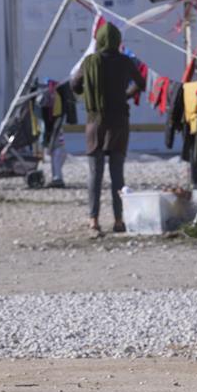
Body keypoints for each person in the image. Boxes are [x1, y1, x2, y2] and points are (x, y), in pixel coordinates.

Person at [70, 22, 144, 235]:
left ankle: (93, 220)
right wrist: (125, 95)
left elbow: (75, 85)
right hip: (119, 121)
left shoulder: (90, 62)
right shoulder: (125, 62)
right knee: (117, 174)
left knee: (95, 173)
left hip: (95, 122)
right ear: (118, 41)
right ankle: (119, 220)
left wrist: (90, 95)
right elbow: (141, 82)